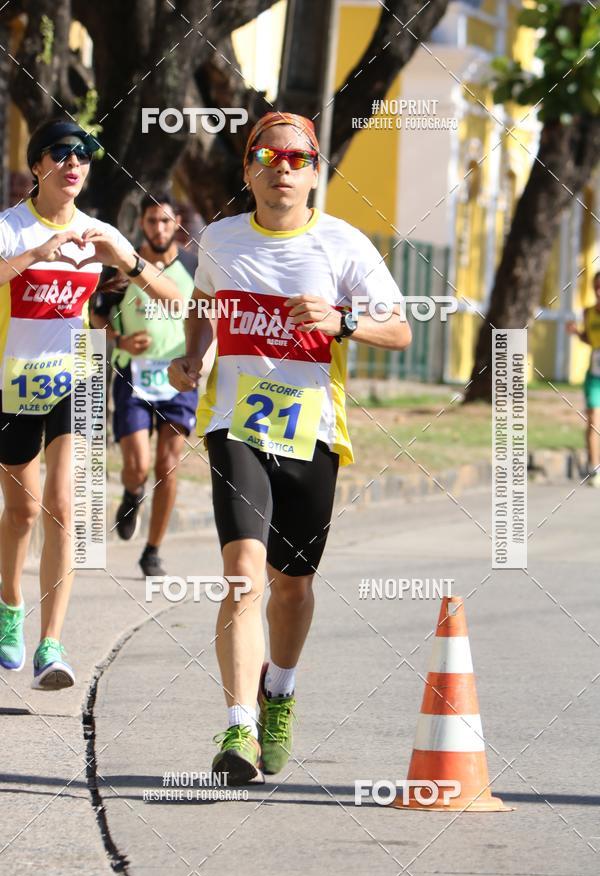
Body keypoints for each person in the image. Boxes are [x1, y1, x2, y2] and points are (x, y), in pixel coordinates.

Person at [169, 111, 411, 785]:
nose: (283, 168)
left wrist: (345, 321)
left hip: (313, 434)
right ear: (248, 170)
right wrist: (194, 358)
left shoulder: (344, 245)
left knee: (293, 588)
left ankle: (281, 689)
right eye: (269, 157)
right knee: (244, 572)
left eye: (298, 158)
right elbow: (201, 302)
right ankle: (239, 726)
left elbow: (400, 332)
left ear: (314, 173)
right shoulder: (218, 239)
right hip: (235, 425)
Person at [0, 118, 182, 688]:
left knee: (62, 505)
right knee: (23, 510)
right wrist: (39, 253)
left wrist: (123, 260)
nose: (74, 163)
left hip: (72, 380)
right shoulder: (10, 228)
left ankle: (51, 645)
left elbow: (176, 297)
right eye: (62, 153)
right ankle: (10, 609)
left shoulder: (97, 230)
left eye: (83, 156)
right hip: (11, 383)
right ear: (38, 166)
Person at [91, 193, 198, 576]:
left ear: (177, 222)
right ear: (143, 224)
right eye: (152, 222)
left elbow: (205, 318)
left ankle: (152, 551)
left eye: (166, 222)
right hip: (133, 375)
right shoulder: (123, 267)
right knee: (136, 465)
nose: (159, 229)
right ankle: (133, 492)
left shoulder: (193, 266)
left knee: (168, 465)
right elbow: (96, 317)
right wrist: (120, 341)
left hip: (179, 379)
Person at [567, 271, 600, 487]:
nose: (599, 291)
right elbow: (590, 338)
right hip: (595, 375)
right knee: (593, 423)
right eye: (596, 287)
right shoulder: (589, 312)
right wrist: (577, 333)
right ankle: (595, 470)